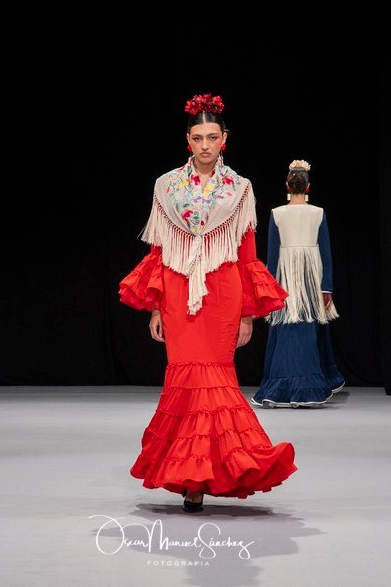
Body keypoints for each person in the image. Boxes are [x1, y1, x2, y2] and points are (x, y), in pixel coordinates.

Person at [119, 93, 296, 513]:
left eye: (212, 137)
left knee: (216, 380)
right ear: (188, 141)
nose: (204, 145)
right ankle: (192, 476)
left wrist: (248, 314)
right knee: (185, 380)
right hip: (178, 291)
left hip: (223, 291)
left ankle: (211, 473)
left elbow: (248, 254)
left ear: (224, 139)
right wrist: (156, 307)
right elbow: (160, 250)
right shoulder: (166, 186)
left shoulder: (240, 189)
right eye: (197, 138)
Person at [252, 160, 345, 407]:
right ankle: (307, 389)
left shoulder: (277, 213)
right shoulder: (318, 213)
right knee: (307, 326)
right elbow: (325, 252)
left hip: (285, 278)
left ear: (287, 185)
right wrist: (326, 287)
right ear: (308, 187)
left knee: (285, 326)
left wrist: (270, 289)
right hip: (310, 278)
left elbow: (272, 256)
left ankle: (281, 389)